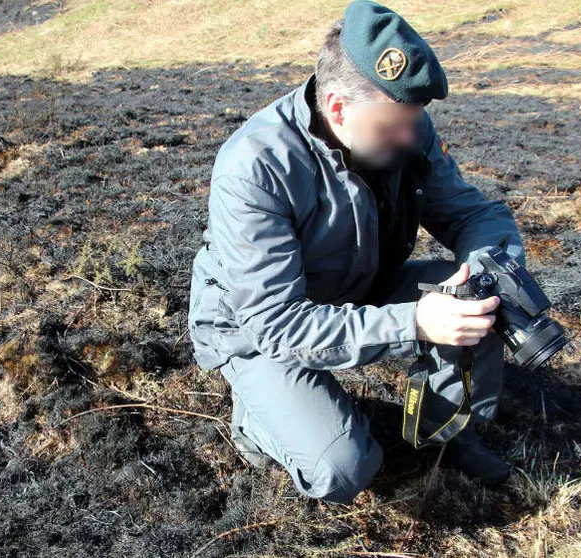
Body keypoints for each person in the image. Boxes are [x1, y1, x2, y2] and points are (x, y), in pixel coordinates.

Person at [186, 0, 527, 504]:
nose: (411, 137)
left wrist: (484, 270)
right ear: (338, 107)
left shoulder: (405, 127)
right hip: (256, 330)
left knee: (484, 298)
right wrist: (414, 323)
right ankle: (256, 422)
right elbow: (276, 323)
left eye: (414, 122)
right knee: (344, 468)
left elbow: (471, 214)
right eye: (393, 127)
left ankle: (447, 433)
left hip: (362, 284)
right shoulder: (255, 166)